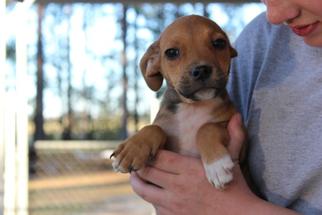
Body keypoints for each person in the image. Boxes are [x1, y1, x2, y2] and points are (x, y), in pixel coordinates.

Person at [130, 0, 322, 214]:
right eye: (174, 53)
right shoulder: (262, 38)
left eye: (217, 45)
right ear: (152, 65)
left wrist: (236, 208)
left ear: (230, 53)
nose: (200, 65)